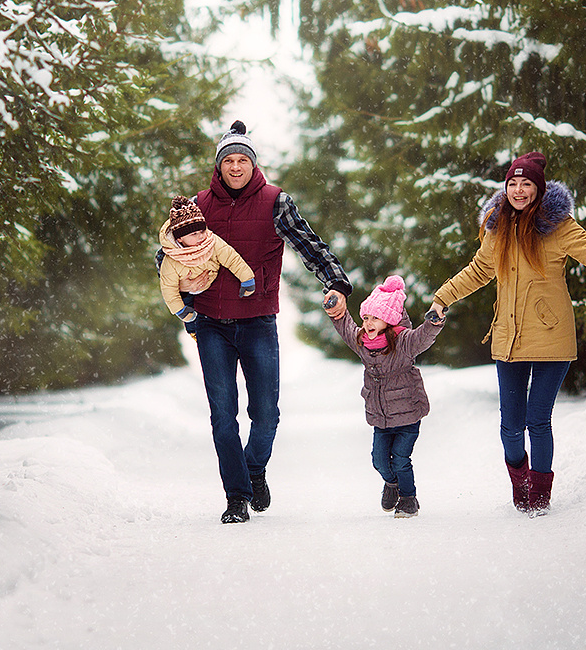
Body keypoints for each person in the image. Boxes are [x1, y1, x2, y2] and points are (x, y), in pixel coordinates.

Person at [428, 152, 586, 516]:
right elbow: (478, 270)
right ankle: (521, 482)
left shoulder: (558, 227)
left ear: (539, 189)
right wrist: (442, 298)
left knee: (537, 421)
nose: (518, 190)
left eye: (526, 184)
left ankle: (540, 496)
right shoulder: (497, 229)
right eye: (513, 184)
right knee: (511, 428)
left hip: (552, 337)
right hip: (509, 339)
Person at [158, 120, 352, 524]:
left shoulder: (276, 202)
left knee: (265, 415)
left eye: (242, 160)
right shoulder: (198, 206)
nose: (235, 166)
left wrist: (335, 282)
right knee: (222, 415)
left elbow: (309, 245)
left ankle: (254, 468)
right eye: (228, 160)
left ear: (253, 164)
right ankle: (236, 497)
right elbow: (165, 256)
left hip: (258, 320)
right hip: (211, 323)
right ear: (219, 165)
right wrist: (185, 285)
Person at [327, 275, 446, 518]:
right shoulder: (363, 343)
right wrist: (336, 311)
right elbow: (346, 327)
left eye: (375, 318)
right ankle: (391, 484)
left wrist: (434, 322)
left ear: (389, 320)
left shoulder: (404, 342)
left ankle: (409, 499)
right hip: (381, 417)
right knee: (379, 461)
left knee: (401, 459)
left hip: (408, 415)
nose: (368, 323)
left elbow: (423, 337)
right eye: (366, 318)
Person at [158, 195, 256, 333]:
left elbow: (231, 258)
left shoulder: (212, 242)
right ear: (179, 238)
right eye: (194, 234)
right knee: (191, 317)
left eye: (202, 231)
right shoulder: (172, 260)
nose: (200, 236)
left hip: (214, 285)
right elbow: (169, 288)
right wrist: (179, 310)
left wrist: (247, 279)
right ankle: (193, 331)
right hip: (188, 292)